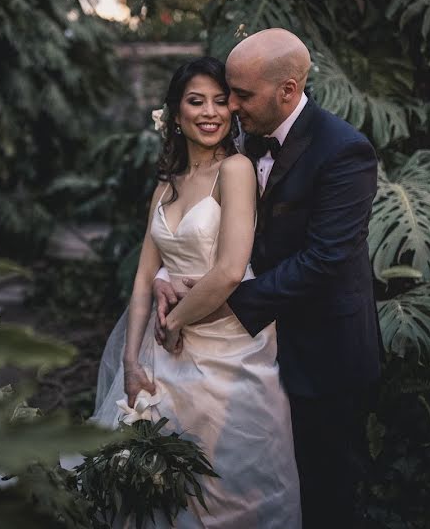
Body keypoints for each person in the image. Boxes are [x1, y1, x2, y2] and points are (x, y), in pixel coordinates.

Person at [154, 29, 382, 529]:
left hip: (323, 350)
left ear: (288, 89)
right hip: (254, 350)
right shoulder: (246, 138)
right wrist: (167, 276)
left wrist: (220, 305)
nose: (230, 106)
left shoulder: (344, 150)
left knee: (325, 490)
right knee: (252, 481)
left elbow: (323, 260)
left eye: (241, 94)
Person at [91, 56, 301, 528]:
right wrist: (130, 361)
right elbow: (145, 277)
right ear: (175, 112)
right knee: (164, 484)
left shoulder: (237, 170)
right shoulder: (166, 186)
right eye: (196, 101)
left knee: (231, 485)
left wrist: (175, 321)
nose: (210, 112)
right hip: (164, 352)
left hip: (230, 343)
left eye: (221, 101)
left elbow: (229, 270)